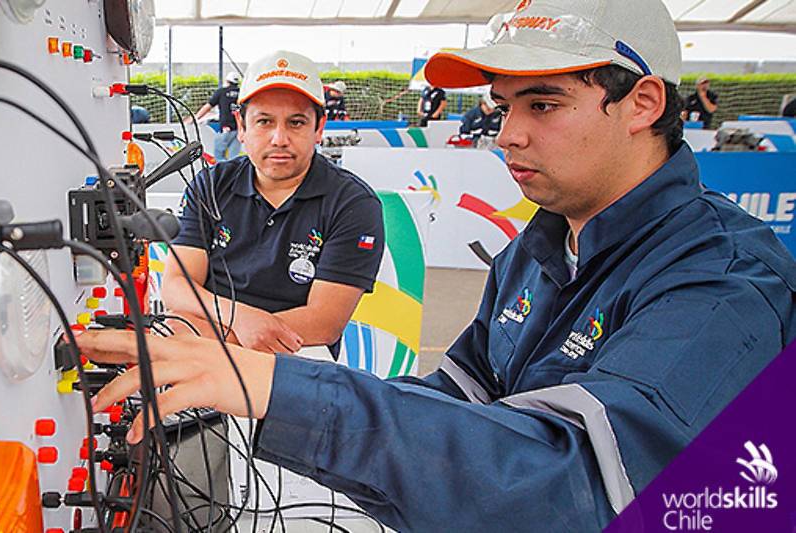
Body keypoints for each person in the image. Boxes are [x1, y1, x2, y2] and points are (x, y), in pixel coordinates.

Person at [77, 1, 796, 531]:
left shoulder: (724, 282)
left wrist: (286, 389)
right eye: (504, 104)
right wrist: (282, 398)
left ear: (642, 104)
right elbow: (457, 399)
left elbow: (577, 488)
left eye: (543, 102)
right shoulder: (537, 246)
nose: (507, 133)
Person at [163, 50, 385, 358]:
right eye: (264, 121)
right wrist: (241, 320)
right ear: (241, 126)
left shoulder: (353, 203)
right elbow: (176, 286)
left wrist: (215, 341)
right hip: (208, 343)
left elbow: (323, 322)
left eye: (296, 123)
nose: (279, 138)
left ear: (319, 128)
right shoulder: (210, 184)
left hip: (298, 355)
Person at [189, 71, 242, 162]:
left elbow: (208, 107)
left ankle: (223, 175)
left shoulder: (222, 92)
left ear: (227, 81)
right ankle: (233, 175)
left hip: (225, 128)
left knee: (219, 156)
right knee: (234, 158)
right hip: (239, 129)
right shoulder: (242, 93)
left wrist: (195, 118)